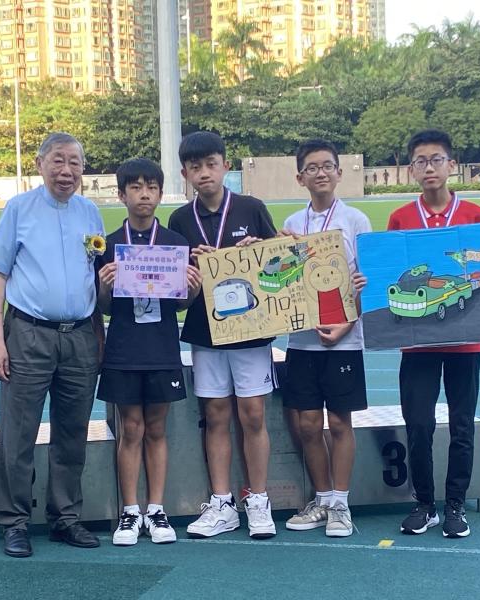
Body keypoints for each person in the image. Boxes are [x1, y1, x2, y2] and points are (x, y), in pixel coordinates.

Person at [356, 129, 480, 539]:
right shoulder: (400, 218)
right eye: (421, 161)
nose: (429, 167)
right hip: (417, 343)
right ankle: (424, 503)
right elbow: (386, 271)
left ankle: (454, 505)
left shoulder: (475, 214)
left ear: (451, 165)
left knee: (462, 424)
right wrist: (368, 281)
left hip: (466, 342)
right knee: (418, 424)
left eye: (436, 159)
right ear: (411, 170)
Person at [0, 132, 105, 558]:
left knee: (72, 433)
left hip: (80, 336)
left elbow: (96, 278)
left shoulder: (91, 213)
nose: (66, 171)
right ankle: (14, 522)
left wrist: (97, 338)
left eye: (74, 162)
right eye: (58, 161)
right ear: (40, 164)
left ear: (83, 169)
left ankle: (65, 518)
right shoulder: (19, 209)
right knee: (19, 434)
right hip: (29, 333)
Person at [168, 131, 279, 539]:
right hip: (204, 330)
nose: (204, 173)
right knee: (214, 415)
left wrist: (258, 249)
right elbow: (177, 285)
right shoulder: (180, 219)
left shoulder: (251, 208)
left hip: (250, 330)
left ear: (225, 166)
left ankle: (260, 500)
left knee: (252, 413)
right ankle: (222, 503)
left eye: (210, 164)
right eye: (194, 168)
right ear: (185, 174)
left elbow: (280, 265)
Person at [95, 158, 202, 546]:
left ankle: (156, 509)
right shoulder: (107, 244)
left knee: (156, 428)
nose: (144, 194)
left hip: (161, 348)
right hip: (124, 349)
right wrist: (105, 286)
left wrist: (193, 287)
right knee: (131, 429)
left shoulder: (174, 243)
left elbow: (180, 303)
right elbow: (105, 307)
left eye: (151, 187)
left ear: (160, 192)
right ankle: (129, 512)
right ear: (121, 194)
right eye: (136, 188)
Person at [280, 140, 370, 537]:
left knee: (339, 421)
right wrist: (266, 251)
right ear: (300, 177)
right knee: (307, 424)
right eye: (311, 168)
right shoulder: (292, 224)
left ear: (339, 172)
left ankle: (340, 503)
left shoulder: (356, 221)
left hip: (344, 339)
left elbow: (367, 281)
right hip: (301, 340)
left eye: (327, 166)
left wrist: (348, 325)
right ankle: (321, 497)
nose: (320, 173)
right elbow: (278, 281)